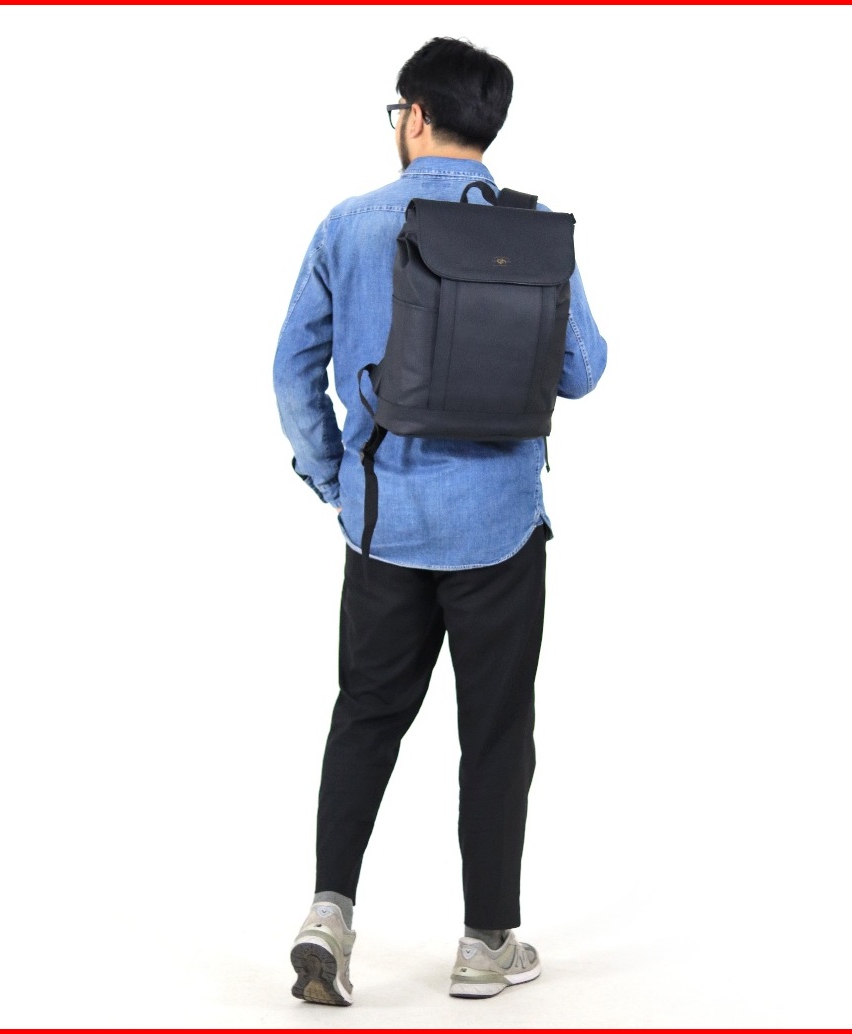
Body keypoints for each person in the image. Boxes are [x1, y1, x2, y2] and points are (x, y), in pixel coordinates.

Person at [273, 36, 607, 1006]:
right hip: (500, 524)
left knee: (365, 715)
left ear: (415, 116)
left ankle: (328, 916)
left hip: (383, 519)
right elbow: (583, 369)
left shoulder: (348, 225)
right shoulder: (531, 229)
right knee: (495, 730)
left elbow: (290, 370)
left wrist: (334, 478)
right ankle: (484, 941)